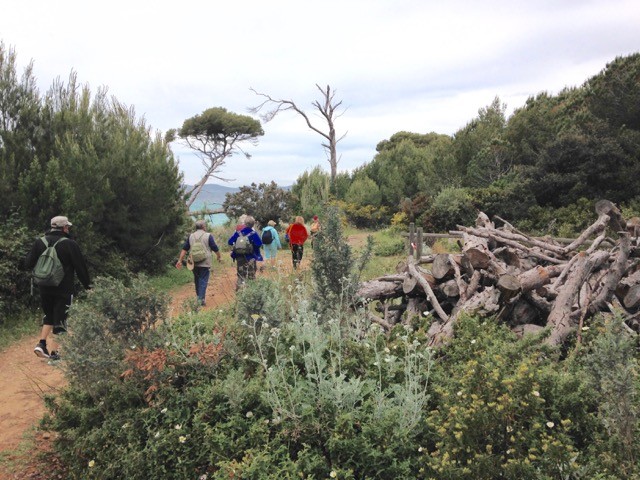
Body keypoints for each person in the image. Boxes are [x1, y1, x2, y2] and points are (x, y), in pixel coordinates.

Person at [24, 215, 91, 361]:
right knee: (61, 319)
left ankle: (41, 344)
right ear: (64, 228)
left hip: (44, 287)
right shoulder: (70, 244)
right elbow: (80, 268)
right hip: (64, 289)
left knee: (49, 314)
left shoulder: (39, 242)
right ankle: (54, 354)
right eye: (68, 227)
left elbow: (28, 264)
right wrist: (88, 286)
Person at [175, 220, 222, 306]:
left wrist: (180, 260)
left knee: (197, 280)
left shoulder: (191, 236)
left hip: (194, 262)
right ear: (203, 227)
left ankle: (199, 297)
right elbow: (215, 247)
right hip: (205, 262)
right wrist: (219, 256)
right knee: (203, 280)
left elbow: (184, 249)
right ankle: (200, 300)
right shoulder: (208, 236)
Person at [228, 215, 263, 290]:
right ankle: (251, 291)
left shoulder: (238, 233)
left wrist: (237, 245)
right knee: (251, 275)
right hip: (251, 257)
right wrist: (252, 247)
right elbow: (259, 244)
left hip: (239, 257)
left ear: (245, 224)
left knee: (241, 275)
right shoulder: (253, 233)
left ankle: (239, 290)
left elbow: (230, 242)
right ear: (253, 224)